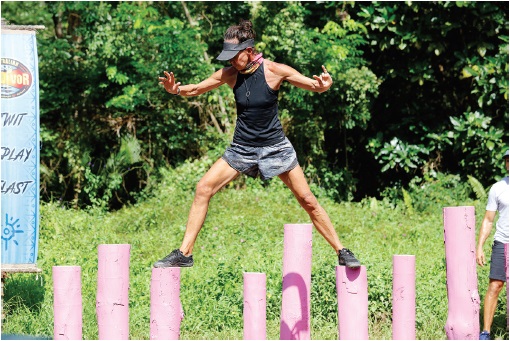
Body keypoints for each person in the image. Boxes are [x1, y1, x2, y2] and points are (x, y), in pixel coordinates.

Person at [154, 19, 360, 269]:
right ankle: (184, 254)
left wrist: (323, 85)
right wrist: (176, 90)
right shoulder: (230, 75)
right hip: (242, 148)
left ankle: (341, 250)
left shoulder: (275, 70)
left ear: (249, 51)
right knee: (203, 188)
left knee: (307, 199)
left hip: (276, 147)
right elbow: (196, 88)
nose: (230, 61)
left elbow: (312, 84)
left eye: (234, 56)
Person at [476, 150, 509, 340]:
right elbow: (488, 220)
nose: (509, 163)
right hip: (502, 242)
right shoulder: (498, 188)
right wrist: (480, 245)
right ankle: (486, 331)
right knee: (495, 285)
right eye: (507, 160)